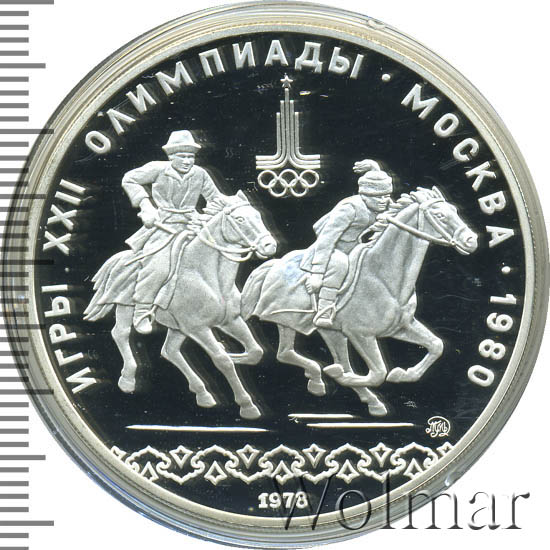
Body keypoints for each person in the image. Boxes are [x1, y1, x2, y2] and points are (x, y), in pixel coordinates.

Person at [122, 130, 226, 334]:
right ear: (171, 156)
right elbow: (129, 179)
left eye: (190, 156)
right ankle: (142, 310)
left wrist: (228, 206)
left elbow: (215, 198)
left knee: (217, 257)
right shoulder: (158, 169)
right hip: (164, 226)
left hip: (192, 224)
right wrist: (145, 205)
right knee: (159, 266)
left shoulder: (200, 174)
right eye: (182, 156)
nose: (187, 161)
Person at [300, 159, 393, 329]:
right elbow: (326, 239)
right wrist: (317, 274)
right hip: (334, 251)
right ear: (364, 195)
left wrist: (375, 169)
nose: (382, 201)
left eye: (386, 196)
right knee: (340, 263)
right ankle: (324, 310)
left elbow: (397, 214)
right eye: (377, 197)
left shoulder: (385, 205)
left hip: (358, 249)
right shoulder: (350, 208)